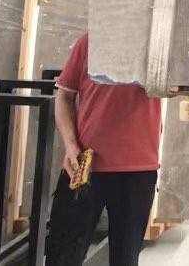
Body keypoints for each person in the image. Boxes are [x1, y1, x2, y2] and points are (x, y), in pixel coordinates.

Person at [46, 33, 162, 266]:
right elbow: (64, 96)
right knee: (62, 257)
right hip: (82, 165)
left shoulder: (157, 42)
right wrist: (70, 145)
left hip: (137, 170)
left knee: (125, 259)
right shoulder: (90, 40)